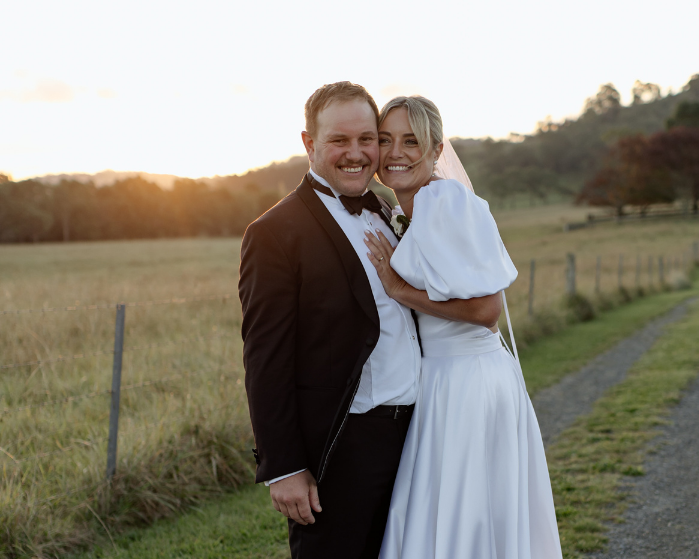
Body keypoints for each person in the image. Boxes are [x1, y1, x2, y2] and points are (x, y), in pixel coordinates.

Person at [239, 82, 504, 558]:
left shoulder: (387, 209)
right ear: (309, 144)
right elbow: (266, 359)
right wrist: (284, 467)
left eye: (368, 139)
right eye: (339, 141)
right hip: (344, 443)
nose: (357, 153)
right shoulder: (275, 233)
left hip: (420, 433)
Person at [363, 96, 563, 559]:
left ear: (435, 151)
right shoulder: (418, 207)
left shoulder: (443, 200)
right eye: (386, 139)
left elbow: (486, 310)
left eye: (411, 141)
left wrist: (398, 288)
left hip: (464, 381)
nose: (396, 152)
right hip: (462, 376)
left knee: (460, 509)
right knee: (463, 509)